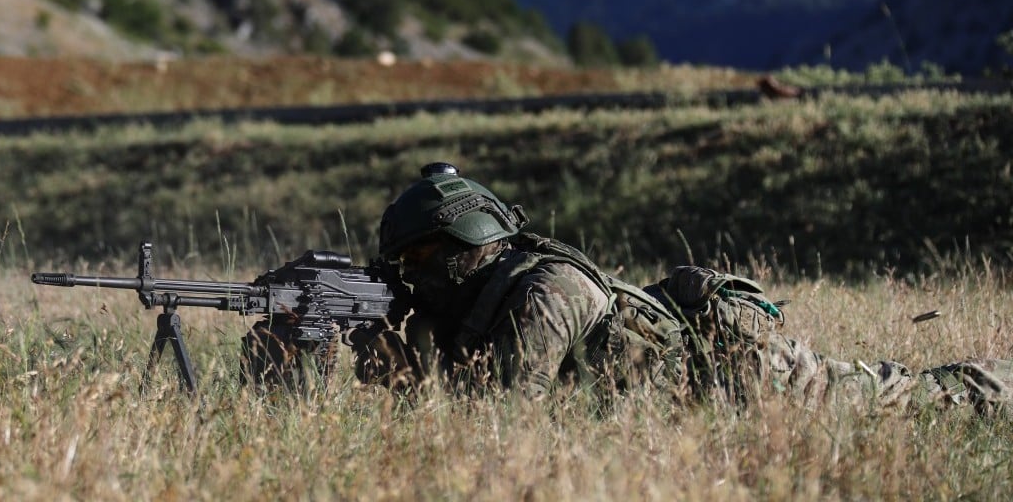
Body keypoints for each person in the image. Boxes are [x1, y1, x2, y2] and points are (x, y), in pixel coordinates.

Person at [344, 162, 1013, 415]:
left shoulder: (549, 291)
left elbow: (510, 420)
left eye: (422, 255)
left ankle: (996, 383)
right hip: (686, 400)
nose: (414, 273)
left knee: (908, 398)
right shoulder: (473, 299)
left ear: (465, 246)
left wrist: (406, 378)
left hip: (741, 376)